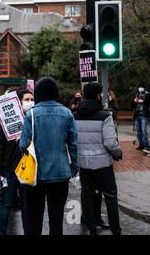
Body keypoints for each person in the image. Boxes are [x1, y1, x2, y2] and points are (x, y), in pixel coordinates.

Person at [19, 77, 78, 235]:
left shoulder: (31, 114)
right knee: (56, 218)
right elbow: (74, 145)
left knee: (34, 218)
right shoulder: (67, 113)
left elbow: (23, 145)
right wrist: (73, 168)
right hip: (60, 174)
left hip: (36, 175)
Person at [74, 83, 123, 235]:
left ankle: (91, 227)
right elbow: (110, 143)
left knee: (86, 194)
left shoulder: (74, 115)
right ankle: (115, 229)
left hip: (83, 163)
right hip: (102, 164)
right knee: (110, 196)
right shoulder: (105, 116)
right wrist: (117, 153)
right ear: (98, 96)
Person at [0, 88, 33, 235]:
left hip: (27, 170)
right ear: (19, 102)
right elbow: (0, 146)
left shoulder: (34, 119)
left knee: (26, 206)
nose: (30, 102)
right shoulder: (7, 120)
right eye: (27, 99)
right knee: (4, 204)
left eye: (31, 99)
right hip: (8, 170)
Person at [133, 86, 150, 151]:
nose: (140, 88)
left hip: (144, 114)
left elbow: (148, 104)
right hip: (137, 114)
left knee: (144, 130)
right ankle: (141, 145)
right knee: (139, 131)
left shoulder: (147, 94)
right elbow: (133, 104)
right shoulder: (137, 93)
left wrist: (142, 101)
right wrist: (135, 100)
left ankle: (146, 145)